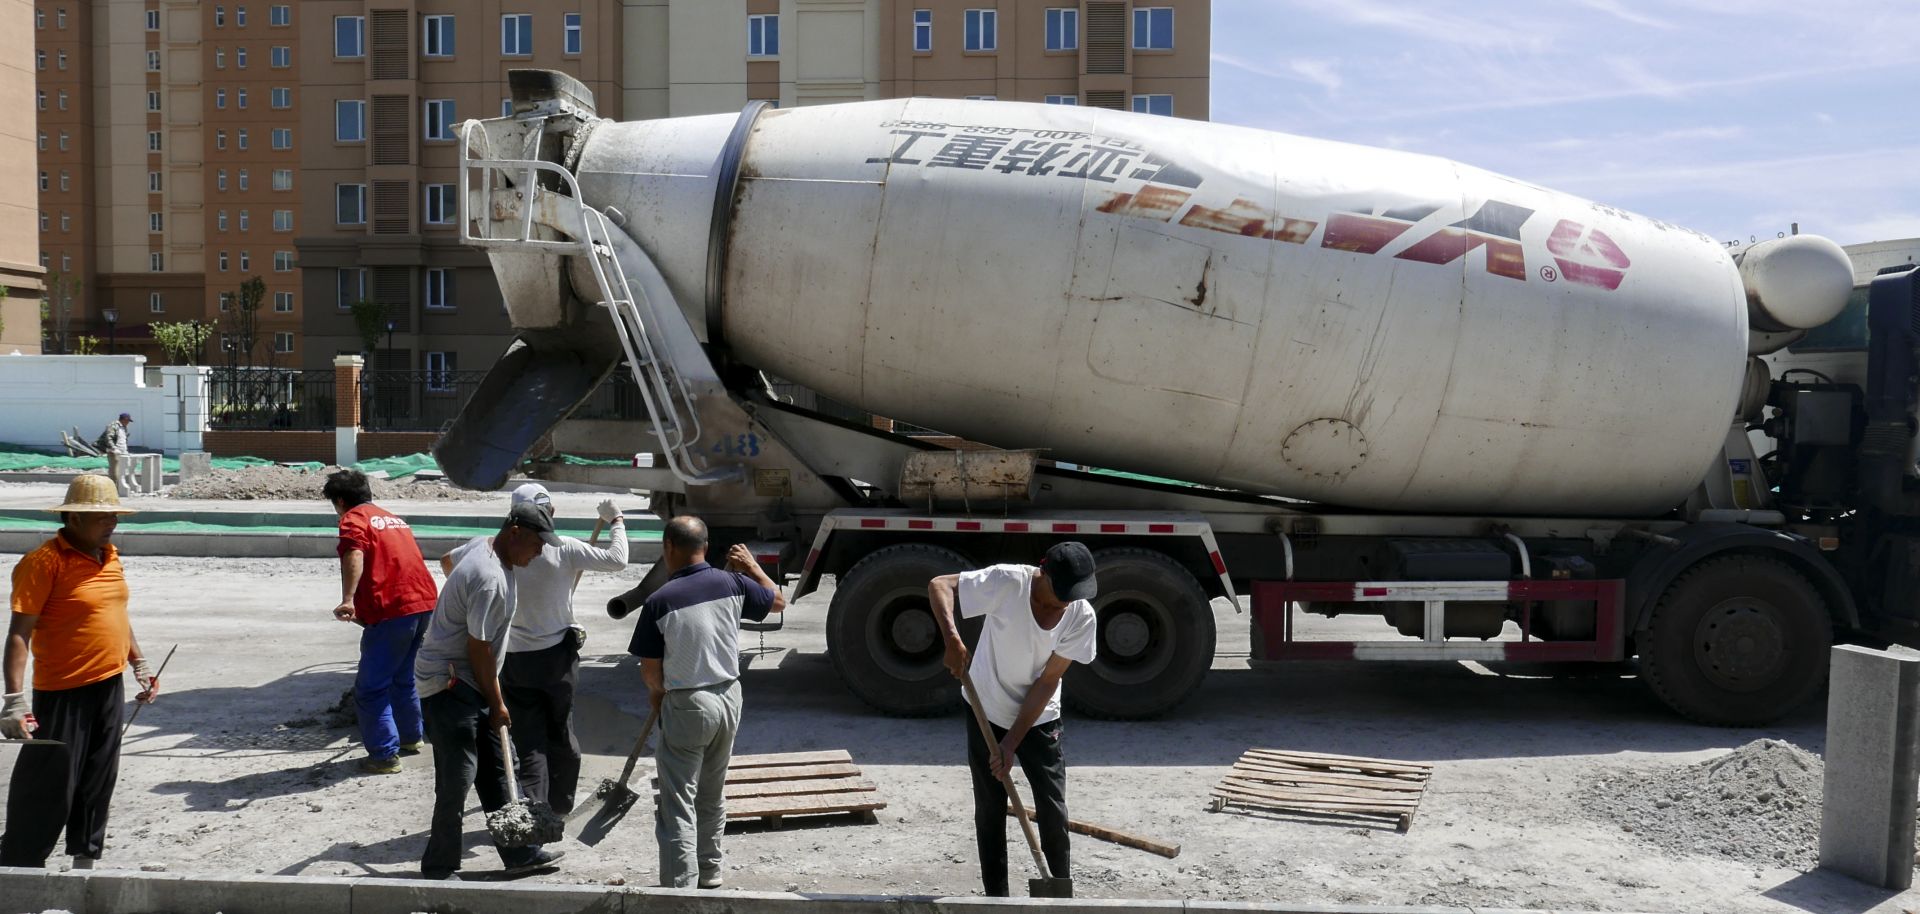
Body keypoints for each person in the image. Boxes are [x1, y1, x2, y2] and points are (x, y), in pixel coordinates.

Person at [1, 474, 159, 869]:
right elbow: (19, 634)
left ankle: (84, 866)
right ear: (73, 518)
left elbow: (115, 616)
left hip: (108, 685)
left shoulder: (110, 555)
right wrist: (13, 701)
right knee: (50, 785)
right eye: (101, 515)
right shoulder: (43, 563)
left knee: (98, 778)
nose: (111, 522)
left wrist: (138, 663)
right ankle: (17, 868)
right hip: (62, 691)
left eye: (113, 515)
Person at [441, 483, 627, 814]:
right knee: (561, 733)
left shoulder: (488, 550)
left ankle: (537, 808)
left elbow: (447, 562)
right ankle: (560, 805)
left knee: (529, 741)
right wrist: (616, 519)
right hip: (556, 658)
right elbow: (618, 559)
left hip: (513, 660)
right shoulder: (565, 548)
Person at [928, 542, 1099, 898]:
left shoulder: (1080, 616)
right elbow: (940, 585)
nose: (1067, 602)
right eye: (1061, 592)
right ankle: (997, 899)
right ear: (1043, 572)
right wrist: (952, 637)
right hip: (984, 708)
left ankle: (1058, 896)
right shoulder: (1008, 583)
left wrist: (1010, 743)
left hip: (1040, 717)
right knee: (990, 810)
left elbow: (1048, 680)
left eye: (1074, 594)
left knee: (1053, 810)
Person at [628, 516, 784, 889]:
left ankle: (680, 886)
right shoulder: (731, 582)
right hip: (729, 696)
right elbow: (777, 601)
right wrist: (753, 567)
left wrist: (658, 699)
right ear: (706, 546)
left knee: (678, 801)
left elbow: (651, 672)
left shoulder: (659, 600)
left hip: (688, 702)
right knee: (712, 794)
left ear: (668, 548)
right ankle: (710, 873)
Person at [414, 503, 566, 880]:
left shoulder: (490, 551)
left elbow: (448, 560)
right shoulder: (488, 578)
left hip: (472, 681)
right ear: (514, 532)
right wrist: (497, 703)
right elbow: (477, 647)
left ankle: (520, 853)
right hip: (448, 685)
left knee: (498, 770)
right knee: (458, 777)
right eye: (535, 543)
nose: (539, 552)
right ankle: (439, 866)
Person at [325, 468, 438, 775]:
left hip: (393, 609)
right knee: (403, 677)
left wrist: (348, 598)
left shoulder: (353, 519)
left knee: (371, 688)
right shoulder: (392, 518)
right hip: (423, 604)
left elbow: (354, 554)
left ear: (340, 500)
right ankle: (412, 738)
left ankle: (384, 755)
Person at [100, 413, 135, 498]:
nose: (128, 423)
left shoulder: (123, 427)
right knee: (114, 472)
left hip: (123, 452)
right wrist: (113, 448)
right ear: (124, 419)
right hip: (114, 452)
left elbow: (123, 439)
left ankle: (119, 489)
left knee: (122, 471)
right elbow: (109, 437)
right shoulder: (113, 425)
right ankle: (112, 490)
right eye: (128, 421)